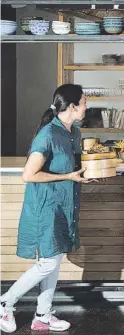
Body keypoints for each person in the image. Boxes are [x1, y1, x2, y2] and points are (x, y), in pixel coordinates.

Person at [0, 84, 94, 333]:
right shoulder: (48, 134)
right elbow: (29, 175)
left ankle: (42, 315)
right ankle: (4, 303)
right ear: (73, 107)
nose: (87, 106)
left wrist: (84, 173)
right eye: (84, 102)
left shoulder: (73, 131)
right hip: (46, 207)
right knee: (48, 263)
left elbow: (71, 167)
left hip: (64, 205)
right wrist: (68, 177)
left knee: (55, 260)